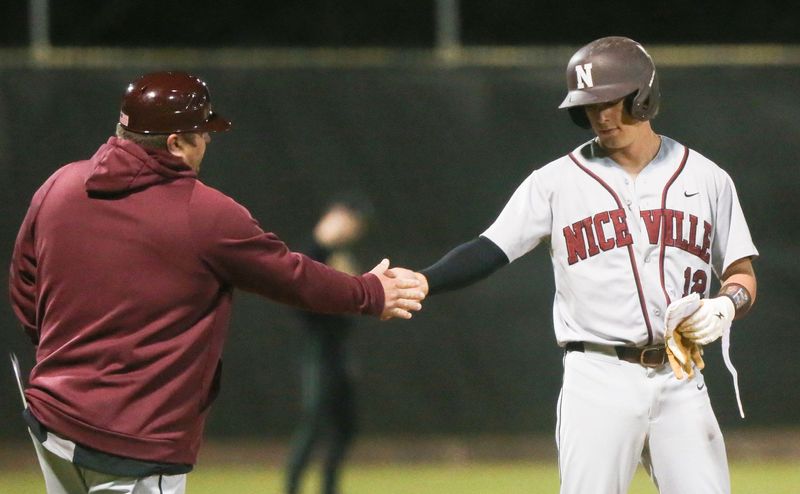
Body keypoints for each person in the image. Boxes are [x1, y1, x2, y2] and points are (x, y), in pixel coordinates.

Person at [8, 71, 425, 494]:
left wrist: (66, 359)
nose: (208, 139)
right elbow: (292, 276)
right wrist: (370, 292)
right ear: (175, 143)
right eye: (202, 132)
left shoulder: (60, 185)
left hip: (52, 423)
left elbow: (24, 284)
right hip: (133, 443)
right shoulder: (202, 212)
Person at [414, 37, 758, 493]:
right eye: (589, 106)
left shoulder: (708, 178)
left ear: (644, 96)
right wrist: (425, 281)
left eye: (611, 101)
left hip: (680, 376)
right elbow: (489, 249)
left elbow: (741, 273)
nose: (601, 116)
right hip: (598, 378)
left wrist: (727, 306)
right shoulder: (555, 183)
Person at [285, 198, 371, 494]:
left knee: (346, 426)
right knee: (315, 424)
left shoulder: (341, 254)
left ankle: (329, 488)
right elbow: (297, 282)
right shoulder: (314, 252)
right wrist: (320, 240)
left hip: (339, 351)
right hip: (319, 351)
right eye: (352, 220)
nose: (355, 228)